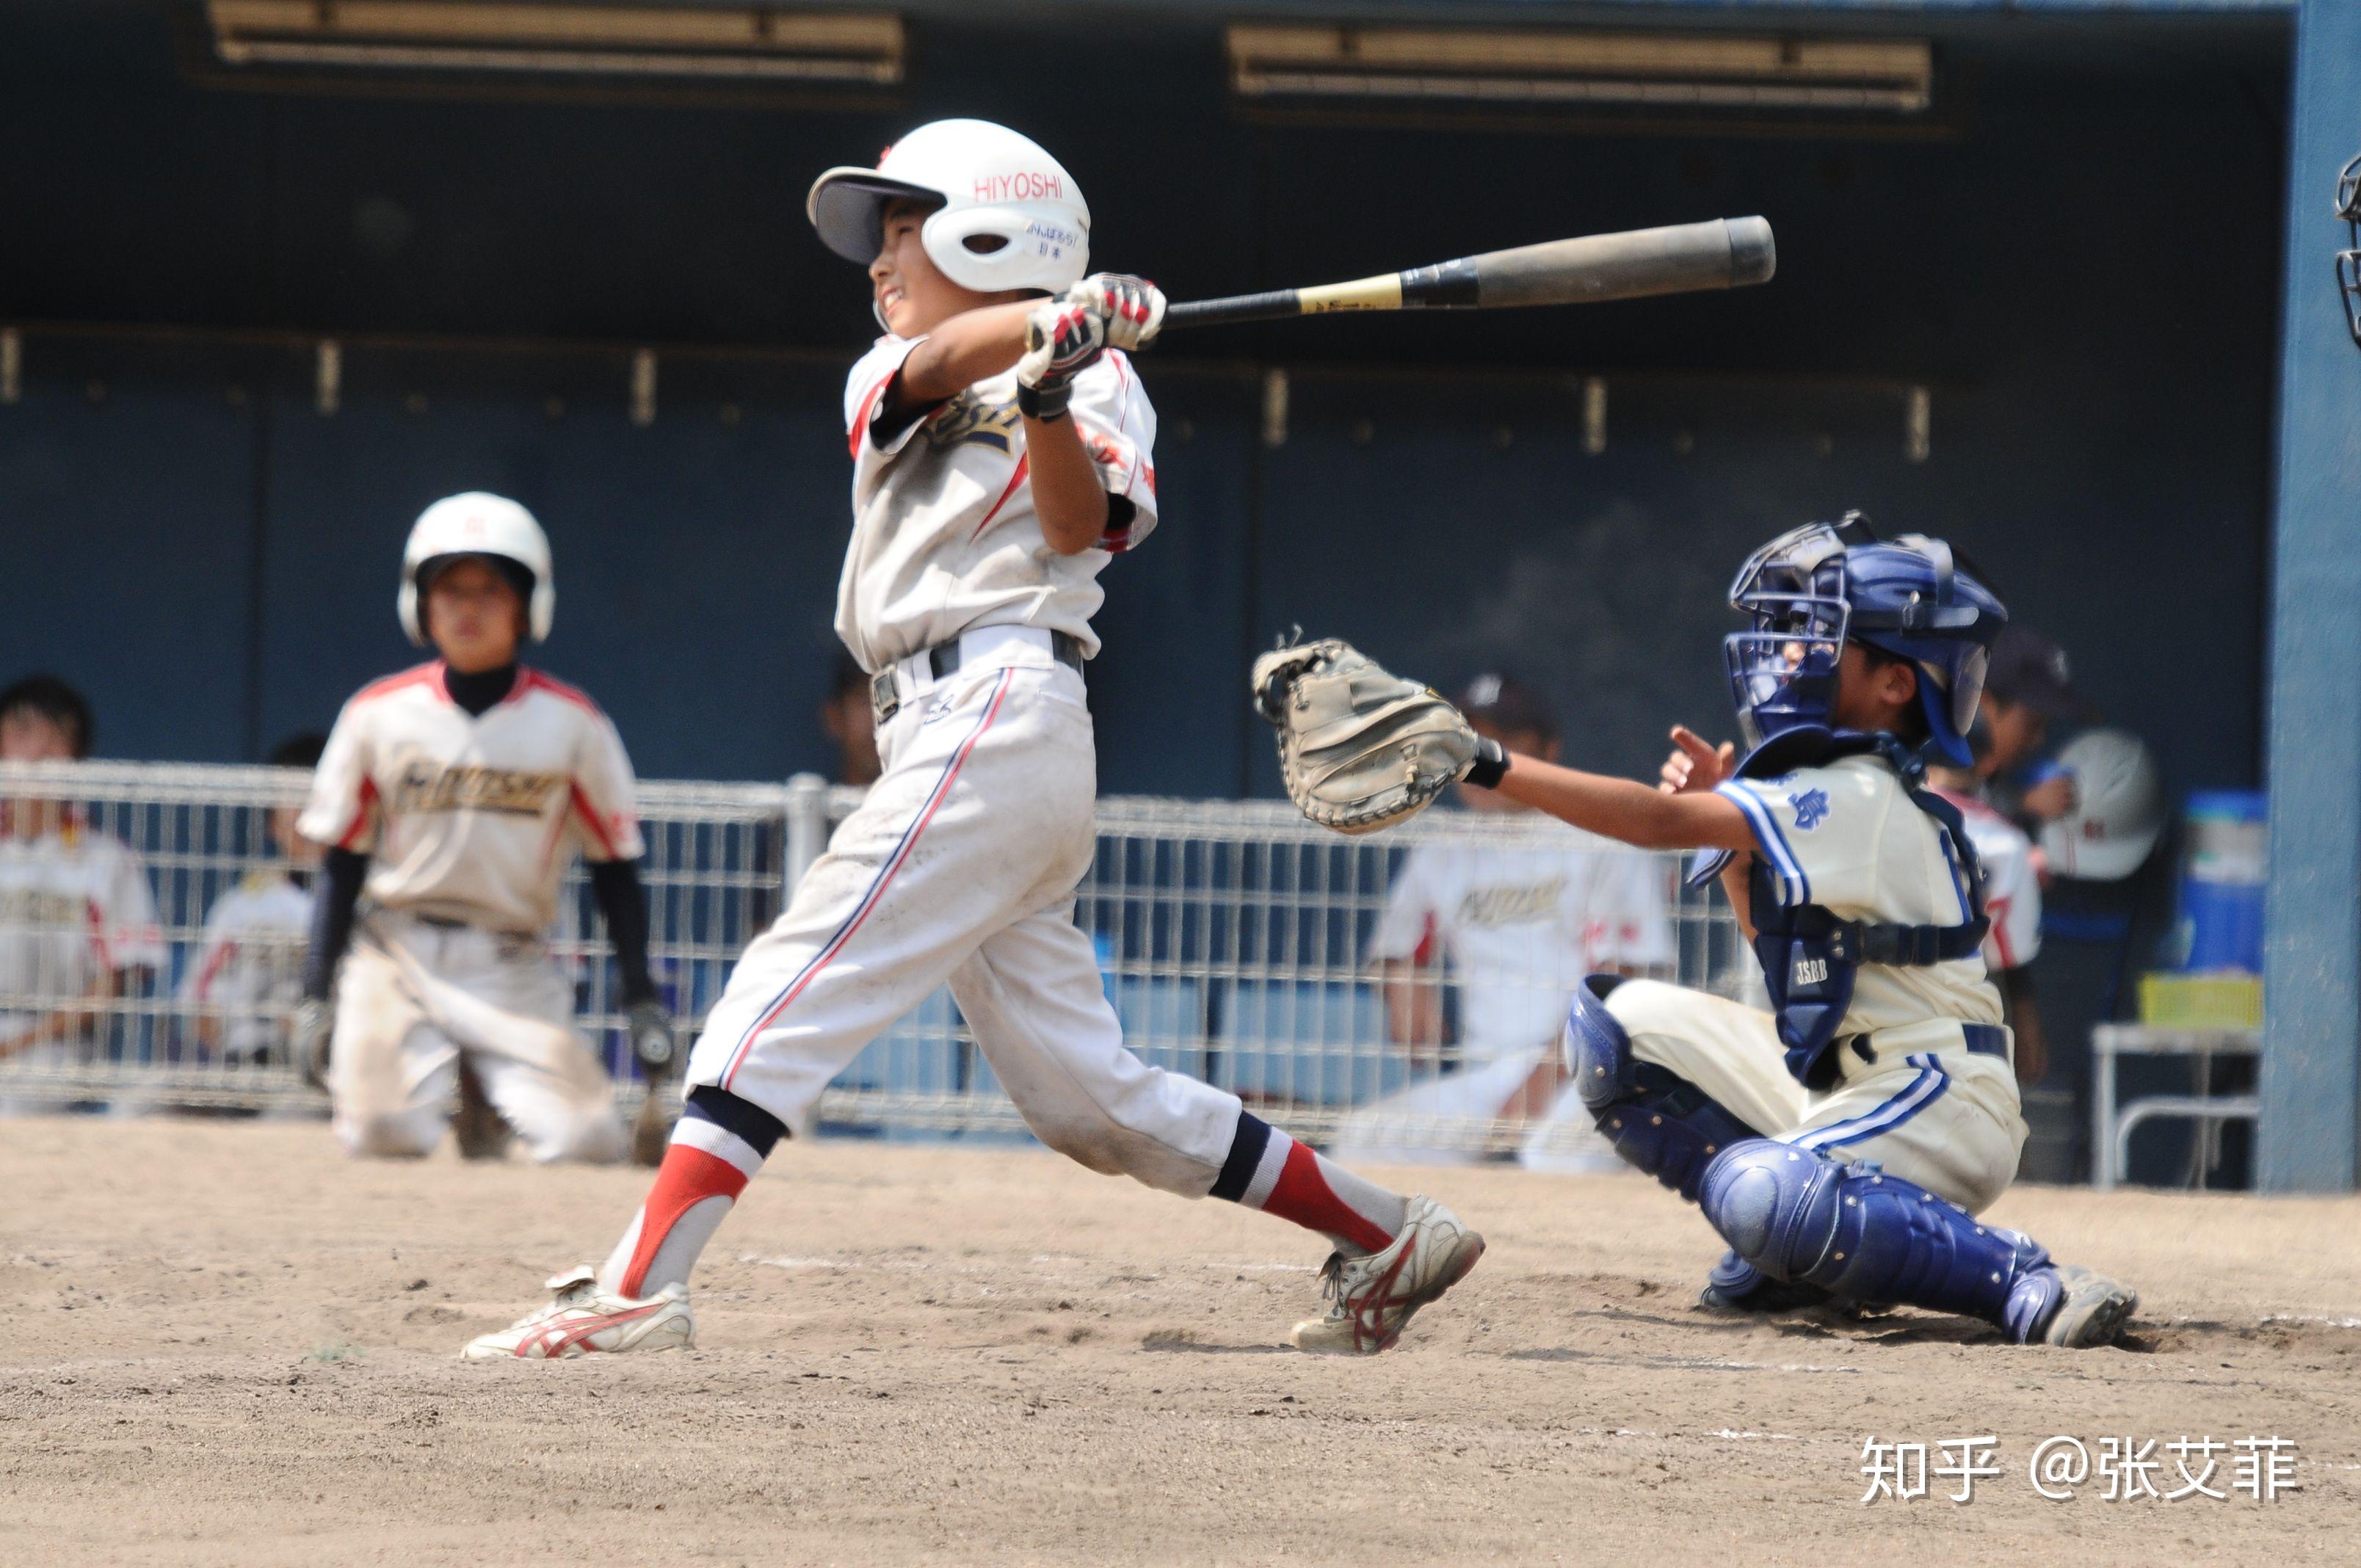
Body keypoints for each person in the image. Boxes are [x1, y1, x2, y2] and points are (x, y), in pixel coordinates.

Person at [463, 119, 1481, 1362]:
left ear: (988, 230)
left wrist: (1057, 382)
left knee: (785, 981)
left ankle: (639, 1283)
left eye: (904, 229)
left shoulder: (1107, 385)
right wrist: (1039, 334)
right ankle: (1385, 1231)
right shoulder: (889, 367)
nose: (880, 260)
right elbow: (942, 357)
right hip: (946, 729)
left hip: (1003, 706)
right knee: (1086, 1100)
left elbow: (1071, 524)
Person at [1385, 514, 2136, 1346]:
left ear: (1895, 683)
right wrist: (1738, 854)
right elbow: (1795, 986)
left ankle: (2021, 1277)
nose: (1786, 651)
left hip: (1940, 1100)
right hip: (1852, 1083)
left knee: (1763, 1193)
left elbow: (1652, 823)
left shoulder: (1860, 791)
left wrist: (1482, 760)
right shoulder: (1823, 781)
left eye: (1820, 637)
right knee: (1614, 1028)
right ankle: (1796, 1253)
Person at [293, 493, 672, 1164]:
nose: (468, 607)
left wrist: (640, 995)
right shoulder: (378, 714)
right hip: (396, 954)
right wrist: (314, 993)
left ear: (529, 605)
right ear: (420, 604)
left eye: (490, 589)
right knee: (386, 1136)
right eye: (449, 588)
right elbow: (341, 863)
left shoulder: (573, 723)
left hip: (512, 960)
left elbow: (615, 868)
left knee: (588, 1143)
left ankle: (484, 1094)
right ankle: (461, 1090)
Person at [1337, 672, 1674, 1172]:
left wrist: (1532, 1093)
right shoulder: (1441, 852)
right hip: (1487, 1073)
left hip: (1598, 1074)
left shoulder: (1602, 835)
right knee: (1363, 1142)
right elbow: (1399, 952)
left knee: (1552, 1160)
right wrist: (1406, 994)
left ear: (1549, 750)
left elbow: (1620, 988)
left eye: (1507, 742)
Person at [0, 676, 164, 1092]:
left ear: (77, 760)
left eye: (54, 742)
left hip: (56, 1047)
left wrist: (19, 1043)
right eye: (23, 735)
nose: (36, 755)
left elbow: (117, 979)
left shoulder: (108, 859)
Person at [181, 733, 327, 1065]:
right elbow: (198, 1001)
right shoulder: (241, 905)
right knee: (141, 1105)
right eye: (291, 800)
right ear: (273, 821)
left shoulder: (371, 905)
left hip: (316, 1070)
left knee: (286, 1114)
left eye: (314, 797)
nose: (302, 815)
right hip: (236, 1061)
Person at [1926, 738, 2048, 1089]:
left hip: (1882, 1004)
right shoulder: (2007, 841)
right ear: (1986, 762)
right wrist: (2028, 1024)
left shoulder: (1892, 816)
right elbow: (2012, 955)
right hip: (1964, 1014)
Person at [1974, 626, 2097, 834]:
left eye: (2046, 726)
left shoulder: (1999, 777)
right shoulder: (1933, 761)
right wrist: (2024, 804)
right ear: (1987, 705)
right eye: (2032, 725)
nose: (2038, 740)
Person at [820, 649, 881, 786]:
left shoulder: (933, 805)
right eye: (864, 699)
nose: (877, 715)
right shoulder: (820, 806)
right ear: (835, 717)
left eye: (885, 699)